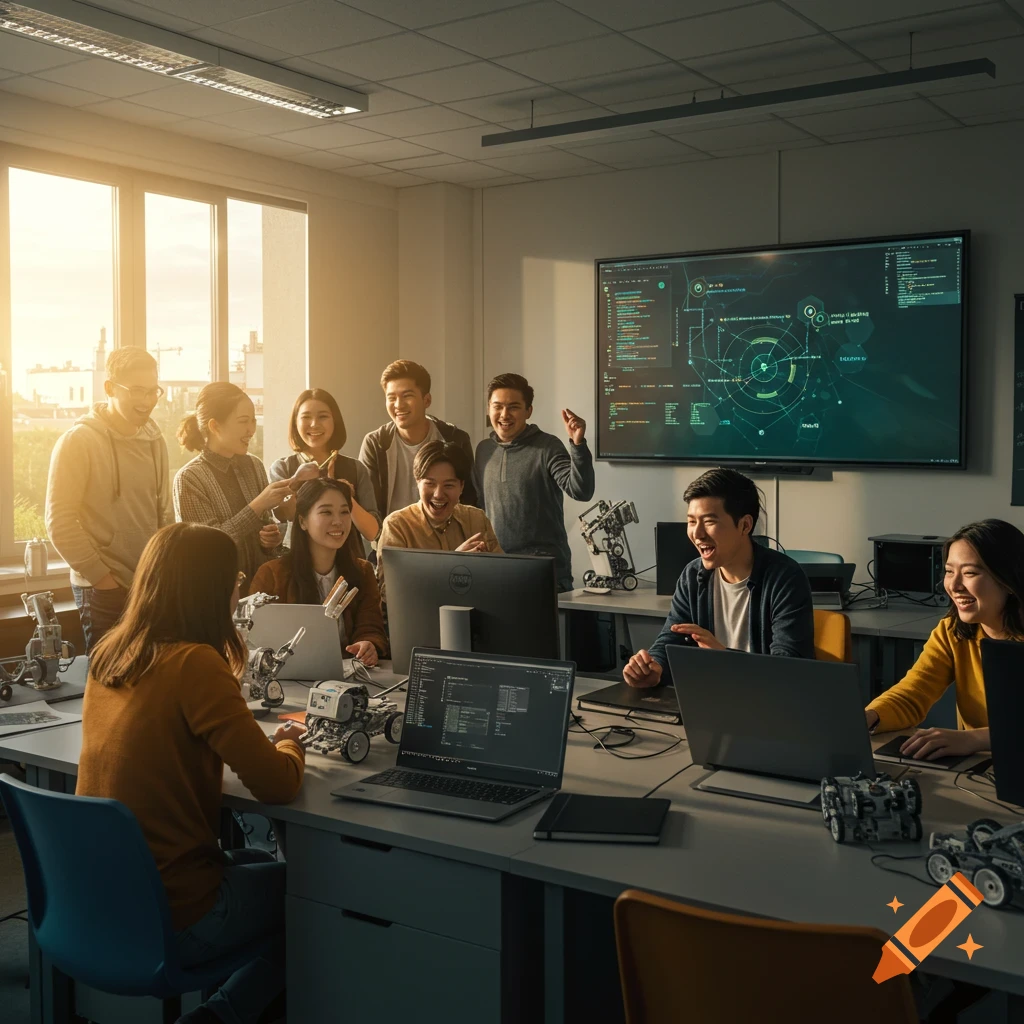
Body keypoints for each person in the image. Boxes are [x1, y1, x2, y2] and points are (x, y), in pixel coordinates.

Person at [76, 522, 306, 1024]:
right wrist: (290, 741)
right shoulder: (195, 664)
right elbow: (277, 785)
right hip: (174, 910)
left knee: (247, 856)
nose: (239, 588)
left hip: (97, 898)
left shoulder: (110, 653)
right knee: (317, 897)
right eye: (235, 577)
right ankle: (219, 1016)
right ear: (213, 588)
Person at [623, 468, 814, 688]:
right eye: (692, 521)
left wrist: (724, 658)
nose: (697, 534)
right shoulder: (693, 576)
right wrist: (654, 668)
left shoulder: (785, 578)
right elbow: (671, 638)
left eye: (709, 522)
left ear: (744, 525)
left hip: (770, 708)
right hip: (709, 700)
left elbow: (789, 668)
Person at [45, 346, 172, 652]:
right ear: (110, 388)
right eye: (137, 391)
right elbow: (58, 521)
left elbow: (165, 516)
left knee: (148, 683)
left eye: (153, 391)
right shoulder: (78, 441)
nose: (146, 401)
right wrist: (103, 579)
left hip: (149, 584)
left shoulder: (156, 442)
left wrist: (163, 574)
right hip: (102, 589)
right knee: (107, 686)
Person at [865, 519, 1024, 760]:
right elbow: (913, 694)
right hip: (981, 767)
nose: (954, 585)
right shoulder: (951, 632)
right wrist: (868, 717)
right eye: (950, 571)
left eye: (970, 573)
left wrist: (975, 739)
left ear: (1008, 580)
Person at [473, 373, 594, 592]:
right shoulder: (483, 450)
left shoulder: (547, 447)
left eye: (514, 407)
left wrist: (578, 445)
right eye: (497, 406)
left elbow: (581, 491)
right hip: (496, 569)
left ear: (529, 410)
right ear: (488, 408)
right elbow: (478, 507)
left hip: (544, 573)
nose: (504, 414)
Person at [251, 479, 387, 666]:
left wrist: (368, 644)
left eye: (345, 512)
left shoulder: (362, 571)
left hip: (349, 675)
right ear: (302, 521)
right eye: (326, 512)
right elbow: (256, 639)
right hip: (288, 681)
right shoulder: (272, 575)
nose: (338, 521)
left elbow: (370, 627)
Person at [173, 382, 291, 591]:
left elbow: (264, 526)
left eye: (253, 421)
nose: (251, 430)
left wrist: (270, 539)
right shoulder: (189, 478)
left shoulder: (253, 465)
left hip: (260, 590)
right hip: (215, 594)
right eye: (243, 421)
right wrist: (258, 505)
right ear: (215, 426)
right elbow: (208, 548)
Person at [376, 440, 501, 600]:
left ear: (461, 487)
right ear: (417, 482)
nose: (438, 494)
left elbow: (500, 576)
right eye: (430, 484)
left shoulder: (476, 519)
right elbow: (388, 592)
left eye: (448, 485)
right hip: (421, 620)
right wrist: (452, 565)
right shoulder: (397, 526)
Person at [359, 359, 477, 521]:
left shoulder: (455, 439)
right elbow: (368, 506)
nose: (398, 405)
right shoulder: (375, 443)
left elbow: (468, 498)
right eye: (391, 397)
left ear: (426, 400)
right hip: (391, 539)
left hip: (446, 539)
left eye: (407, 396)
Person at [269, 388, 380, 558]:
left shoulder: (356, 469)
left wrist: (345, 495)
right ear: (295, 423)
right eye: (306, 417)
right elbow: (286, 515)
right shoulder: (283, 468)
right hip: (298, 562)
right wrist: (297, 481)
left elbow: (372, 532)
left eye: (323, 416)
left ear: (335, 422)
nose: (314, 424)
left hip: (349, 563)